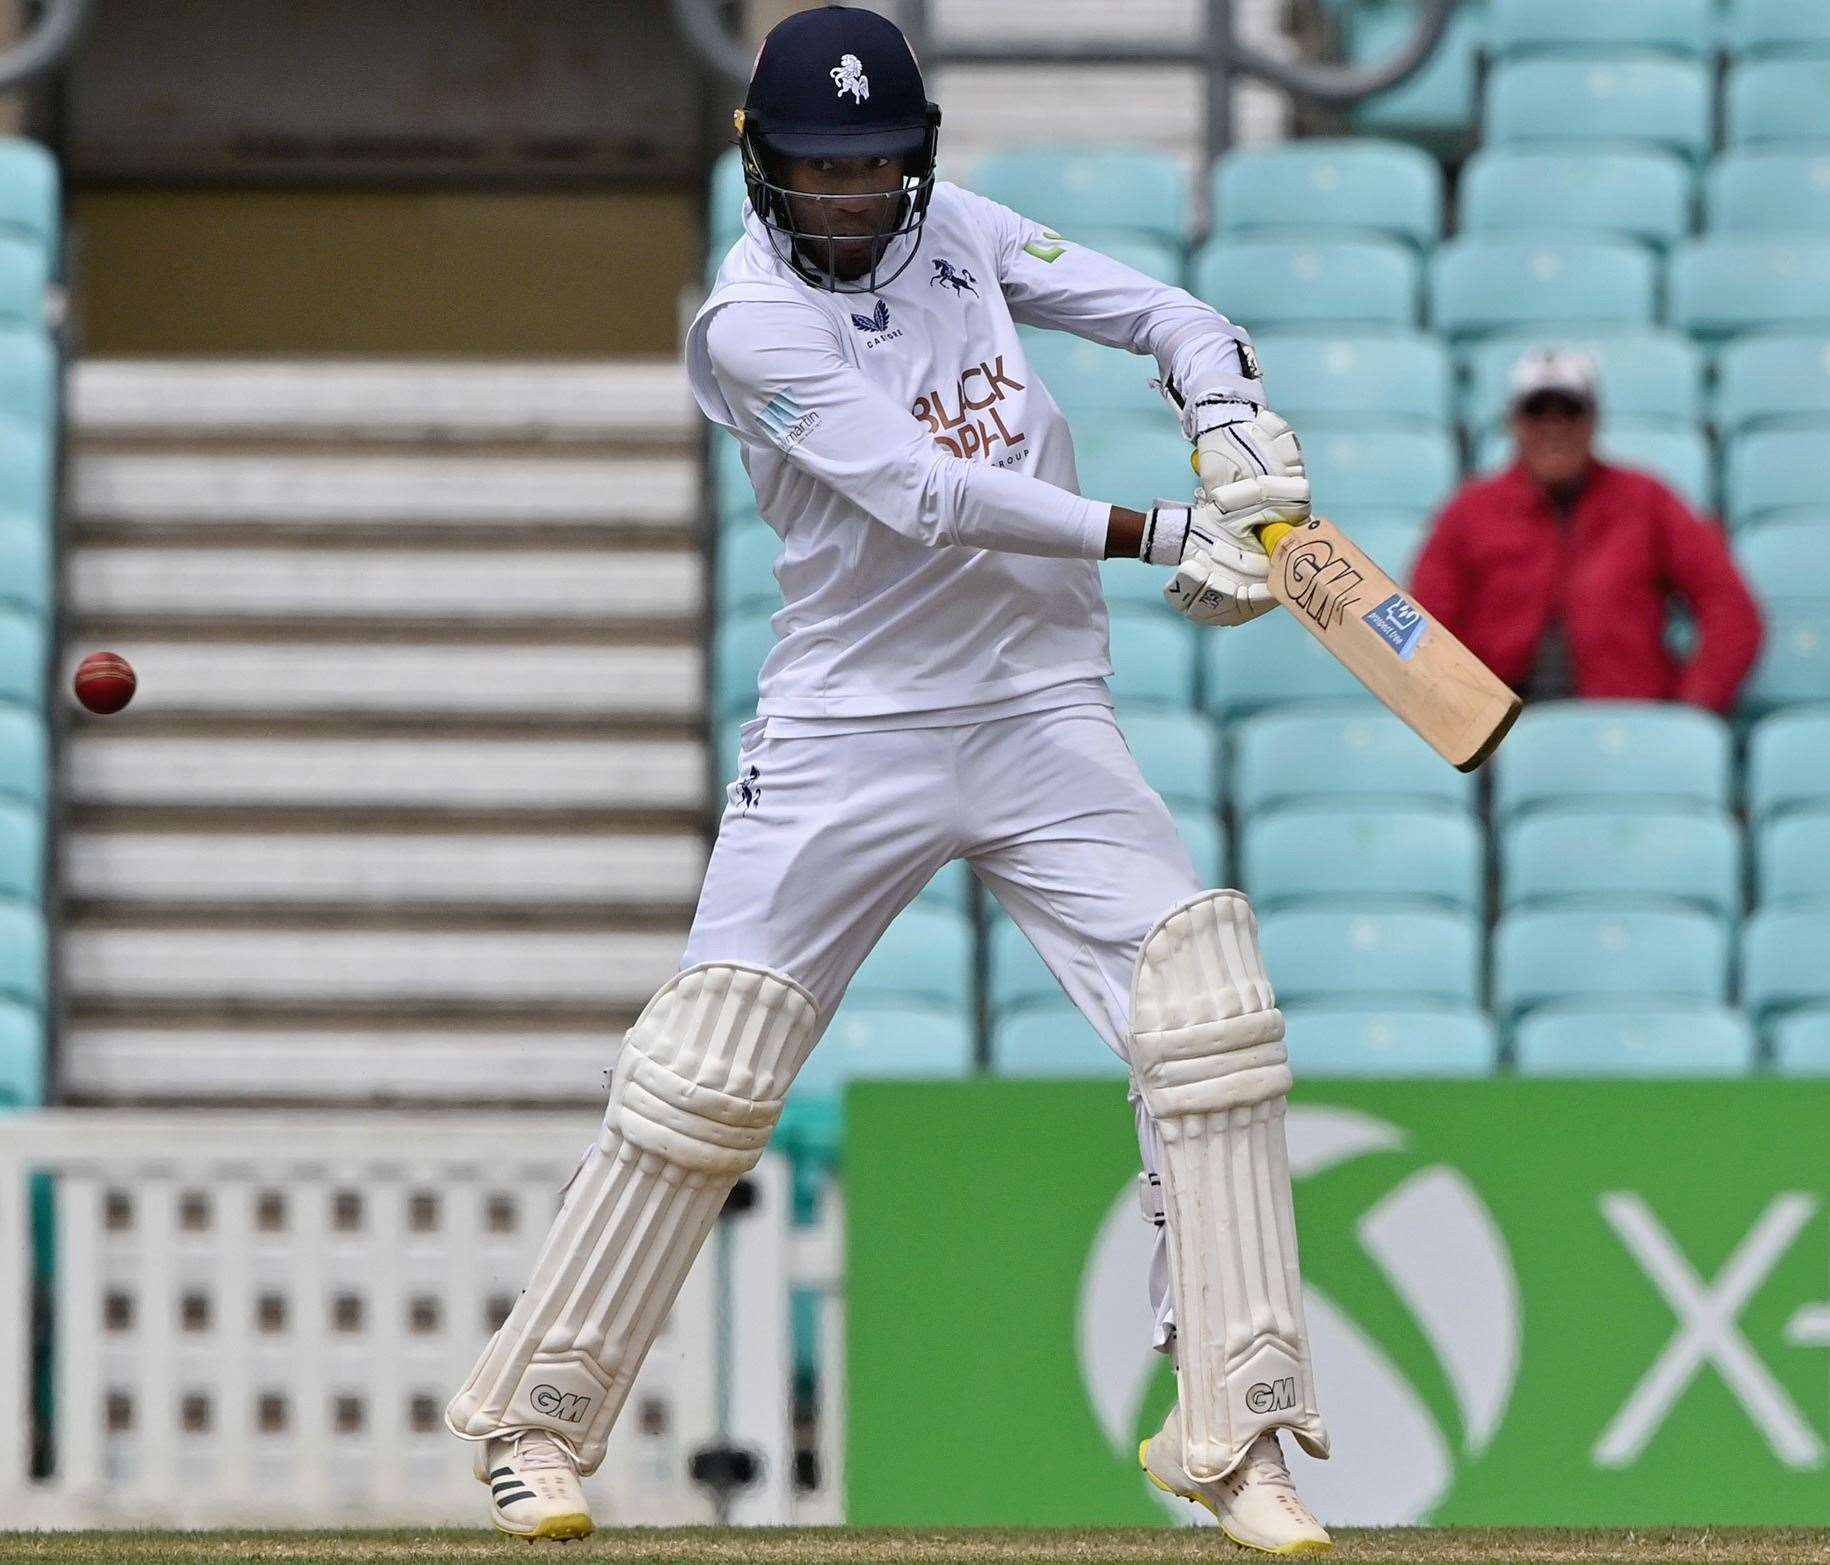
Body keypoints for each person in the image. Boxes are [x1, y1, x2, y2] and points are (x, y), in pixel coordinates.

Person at [445, 7, 1333, 1551]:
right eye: (817, 172)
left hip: (1037, 709)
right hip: (852, 724)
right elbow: (925, 495)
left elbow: (1171, 314)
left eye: (873, 171)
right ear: (760, 165)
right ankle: (533, 1421)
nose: (849, 202)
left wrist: (1231, 416)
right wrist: (1148, 531)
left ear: (916, 162)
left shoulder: (965, 238)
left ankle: (1234, 1435)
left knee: (1205, 1014)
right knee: (707, 1069)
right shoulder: (745, 326)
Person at [1410, 350, 1763, 712]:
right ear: (1513, 423)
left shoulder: (1646, 500)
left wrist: (1688, 712)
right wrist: (1464, 719)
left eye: (1570, 412)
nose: (1554, 428)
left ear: (1594, 421)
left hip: (1627, 728)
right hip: (1500, 737)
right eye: (1537, 413)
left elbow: (1731, 609)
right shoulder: (1469, 512)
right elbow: (1426, 628)